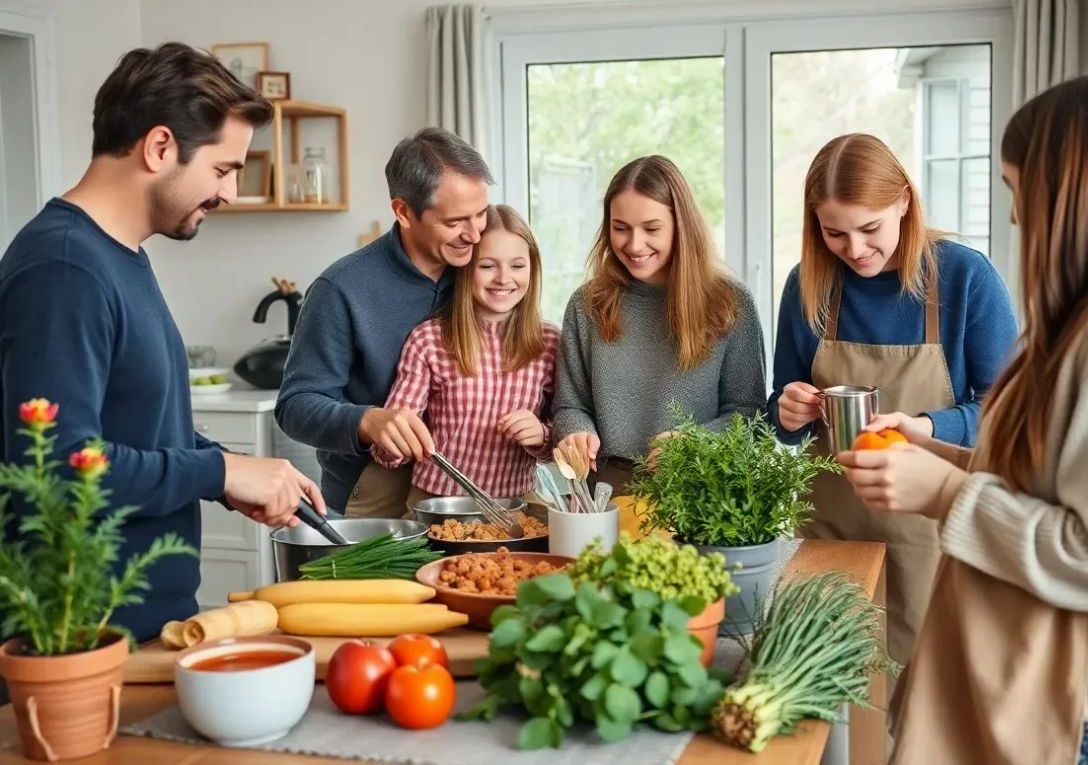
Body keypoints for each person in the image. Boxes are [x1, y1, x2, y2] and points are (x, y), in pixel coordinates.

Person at [840, 73, 1088, 764]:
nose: (1014, 217)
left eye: (1017, 189)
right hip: (1019, 672)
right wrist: (937, 456)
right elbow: (1050, 483)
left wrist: (947, 493)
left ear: (1073, 193)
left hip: (1059, 701)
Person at [0, 42, 325, 643]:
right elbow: (60, 473)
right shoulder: (64, 268)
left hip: (147, 631)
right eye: (223, 169)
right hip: (85, 643)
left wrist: (235, 473)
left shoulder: (119, 255)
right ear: (159, 147)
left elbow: (139, 427)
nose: (230, 192)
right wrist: (218, 472)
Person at [765, 133, 1018, 668]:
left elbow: (1009, 412)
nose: (855, 250)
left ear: (904, 201)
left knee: (925, 691)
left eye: (870, 228)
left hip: (934, 536)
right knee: (831, 690)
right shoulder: (807, 285)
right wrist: (788, 412)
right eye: (835, 233)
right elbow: (781, 415)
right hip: (831, 533)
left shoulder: (965, 278)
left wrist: (929, 427)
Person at [275, 127, 492, 516]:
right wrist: (367, 421)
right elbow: (295, 406)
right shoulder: (341, 288)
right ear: (403, 212)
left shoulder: (487, 269)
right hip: (370, 497)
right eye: (455, 221)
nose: (474, 235)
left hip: (472, 491)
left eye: (481, 214)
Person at [554, 155, 766, 494]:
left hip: (701, 492)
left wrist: (693, 442)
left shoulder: (731, 303)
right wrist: (577, 432)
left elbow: (749, 416)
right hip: (607, 494)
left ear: (681, 225)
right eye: (620, 228)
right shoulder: (587, 304)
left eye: (651, 229)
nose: (634, 244)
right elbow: (569, 406)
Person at [370, 205, 558, 516]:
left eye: (517, 265)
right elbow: (389, 447)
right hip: (437, 505)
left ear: (532, 270)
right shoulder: (429, 339)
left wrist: (541, 435)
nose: (504, 278)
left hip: (517, 506)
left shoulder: (550, 342)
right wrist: (392, 441)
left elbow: (563, 438)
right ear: (465, 268)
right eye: (487, 265)